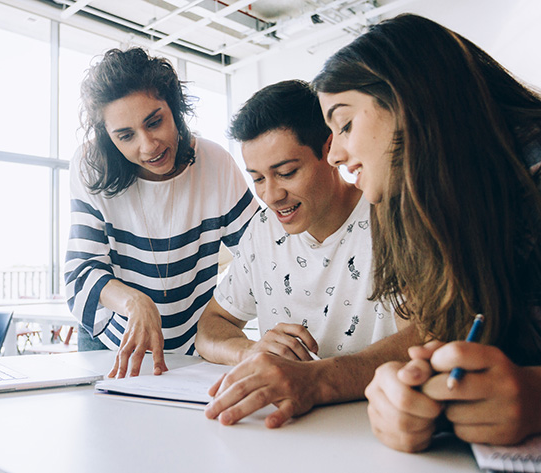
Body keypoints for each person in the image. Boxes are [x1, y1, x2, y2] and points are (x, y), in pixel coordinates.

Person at [313, 13, 541, 452]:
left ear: (407, 101)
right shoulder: (412, 206)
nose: (335, 154)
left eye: (344, 124)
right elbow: (436, 337)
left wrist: (533, 397)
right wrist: (409, 389)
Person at [196, 80, 414, 428]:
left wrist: (315, 378)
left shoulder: (389, 216)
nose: (271, 194)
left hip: (373, 427)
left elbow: (425, 335)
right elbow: (210, 327)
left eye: (286, 173)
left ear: (330, 149)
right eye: (257, 178)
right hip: (286, 430)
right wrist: (251, 351)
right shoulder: (261, 230)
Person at [65, 47, 259, 378]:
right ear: (109, 139)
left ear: (175, 108)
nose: (148, 145)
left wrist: (225, 318)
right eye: (125, 136)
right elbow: (81, 273)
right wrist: (133, 302)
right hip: (113, 344)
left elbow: (262, 255)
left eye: (155, 122)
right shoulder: (91, 167)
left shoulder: (215, 163)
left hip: (192, 343)